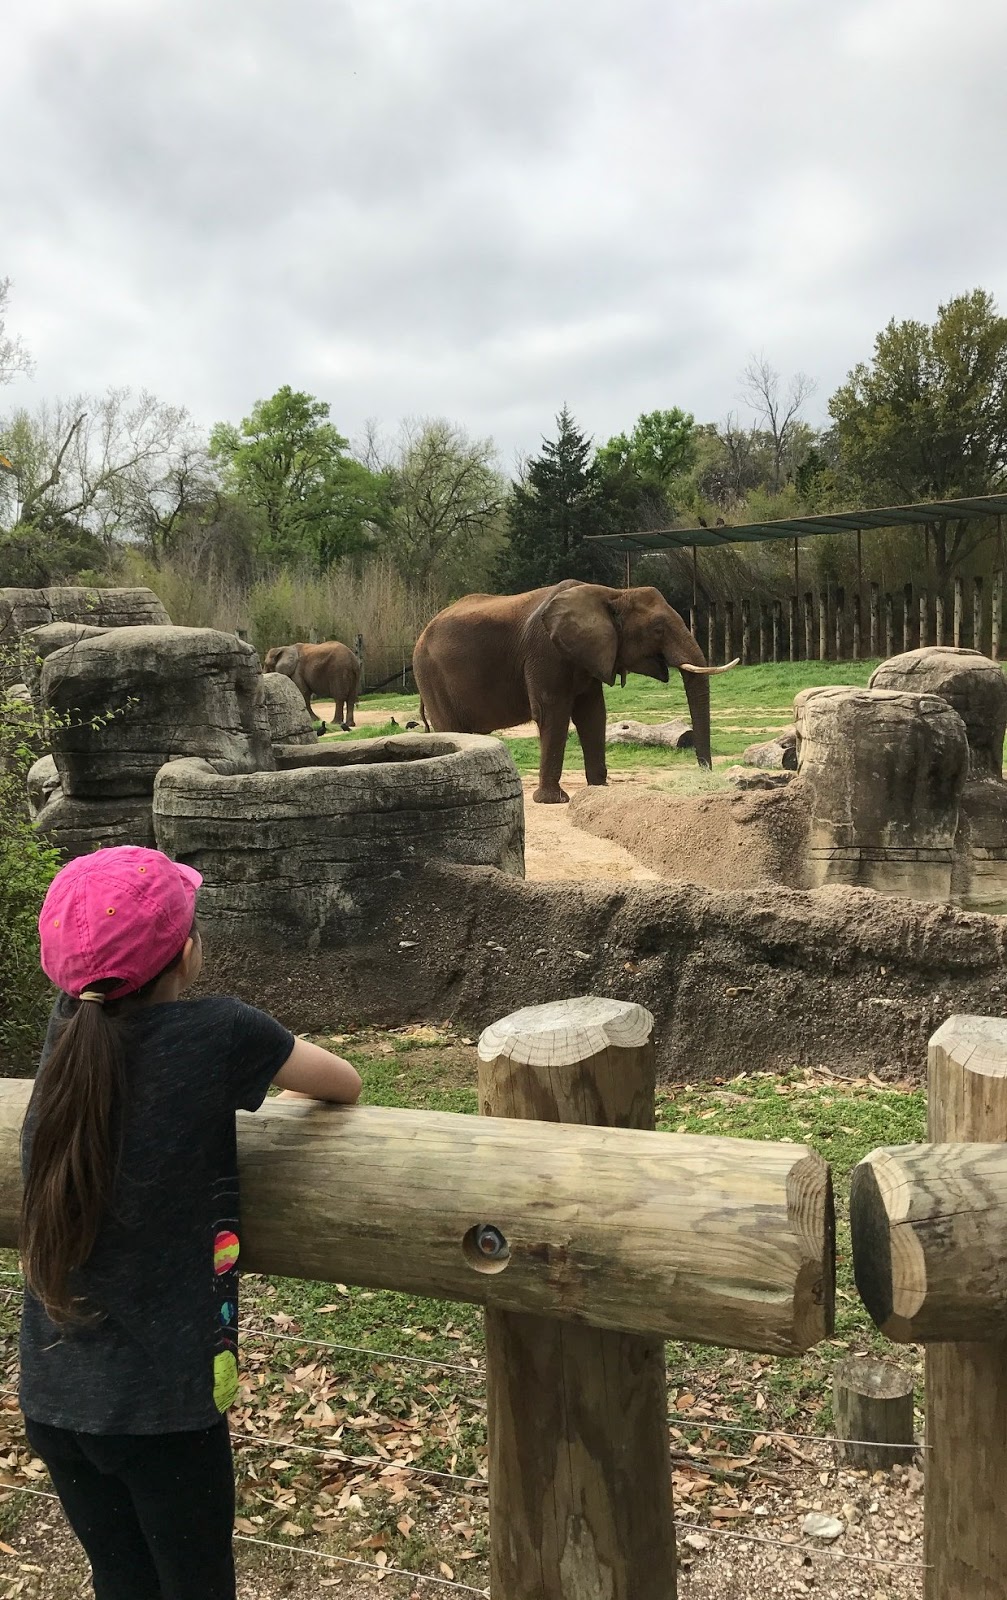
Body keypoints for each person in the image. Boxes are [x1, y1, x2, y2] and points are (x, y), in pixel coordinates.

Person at [18, 845, 362, 1600]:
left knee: (122, 1583)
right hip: (163, 1412)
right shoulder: (223, 1031)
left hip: (54, 1395)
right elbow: (344, 1082)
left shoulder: (68, 1030)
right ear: (186, 949)